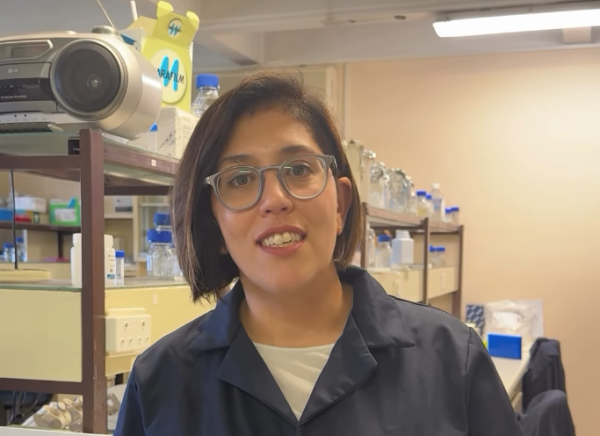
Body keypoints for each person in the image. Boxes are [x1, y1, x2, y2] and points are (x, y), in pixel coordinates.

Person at [114, 72, 522, 436]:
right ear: (214, 224)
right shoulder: (160, 382)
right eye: (239, 179)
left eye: (298, 169)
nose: (274, 200)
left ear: (340, 204)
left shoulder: (451, 358)